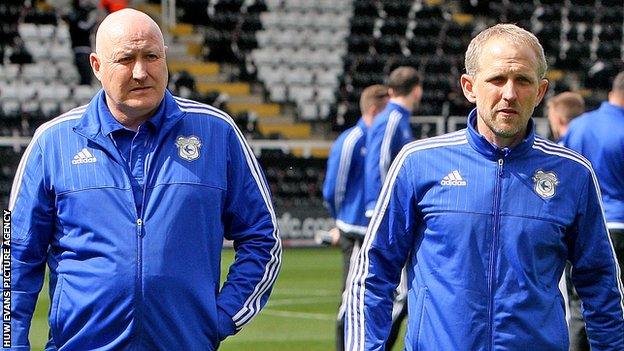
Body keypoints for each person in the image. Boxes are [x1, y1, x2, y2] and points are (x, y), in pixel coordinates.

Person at [6, 9, 281, 350]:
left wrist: (221, 317)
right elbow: (13, 256)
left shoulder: (217, 133)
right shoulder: (52, 142)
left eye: (151, 56)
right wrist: (11, 343)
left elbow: (262, 239)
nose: (141, 72)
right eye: (125, 59)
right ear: (96, 66)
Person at [346, 23, 624, 350]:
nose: (509, 93)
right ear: (469, 86)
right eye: (496, 79)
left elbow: (602, 288)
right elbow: (371, 277)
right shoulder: (418, 163)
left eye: (522, 80)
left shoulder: (572, 174)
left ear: (540, 92)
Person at [322, 84, 389, 351]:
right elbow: (333, 188)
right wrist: (339, 220)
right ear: (374, 109)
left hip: (376, 229)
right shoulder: (352, 140)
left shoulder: (381, 140)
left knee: (379, 296)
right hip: (357, 230)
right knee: (352, 298)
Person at [562, 72, 624, 351]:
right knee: (613, 309)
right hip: (620, 225)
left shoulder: (579, 126)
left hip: (581, 226)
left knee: (579, 309)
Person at [362, 66, 422, 350]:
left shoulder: (396, 119)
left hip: (390, 212)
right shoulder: (393, 119)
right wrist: (385, 205)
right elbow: (383, 162)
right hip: (389, 215)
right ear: (417, 90)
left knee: (401, 291)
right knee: (395, 292)